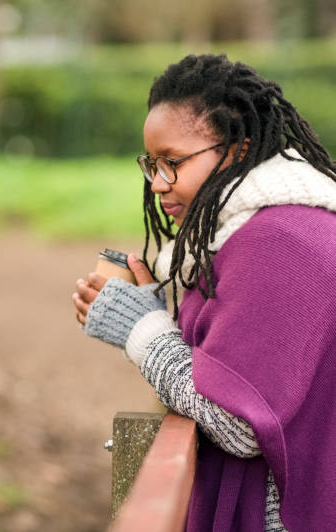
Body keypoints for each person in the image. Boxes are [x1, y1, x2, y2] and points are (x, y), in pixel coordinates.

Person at [72, 54, 336, 531]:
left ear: (238, 149)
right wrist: (155, 311)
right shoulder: (255, 230)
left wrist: (140, 328)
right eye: (151, 164)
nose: (156, 184)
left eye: (172, 162)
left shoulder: (280, 241)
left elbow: (238, 424)